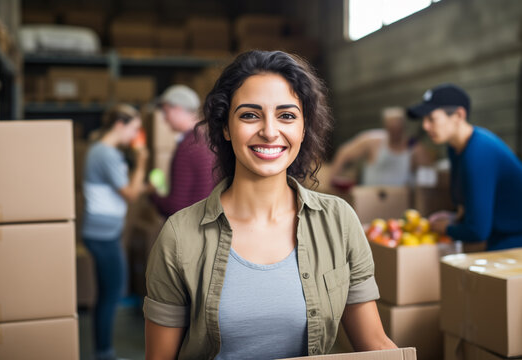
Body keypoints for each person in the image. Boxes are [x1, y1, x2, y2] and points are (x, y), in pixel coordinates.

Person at [144, 50, 396, 360]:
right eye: (250, 115)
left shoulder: (338, 221)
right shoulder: (180, 236)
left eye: (287, 115)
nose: (269, 131)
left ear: (303, 128)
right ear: (225, 127)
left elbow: (376, 344)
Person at [407, 83, 522, 250]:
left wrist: (443, 227)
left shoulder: (478, 152)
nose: (425, 126)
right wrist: (454, 218)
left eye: (431, 118)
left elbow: (477, 231)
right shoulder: (455, 148)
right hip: (499, 234)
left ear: (459, 115)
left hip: (514, 240)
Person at [82, 104, 149, 360]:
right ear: (119, 125)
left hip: (103, 233)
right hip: (102, 236)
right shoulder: (106, 154)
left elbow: (122, 189)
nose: (135, 136)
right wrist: (142, 160)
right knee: (112, 293)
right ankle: (105, 354)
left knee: (107, 293)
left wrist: (147, 187)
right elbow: (129, 194)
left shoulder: (102, 151)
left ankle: (103, 352)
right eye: (134, 128)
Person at [149, 84, 216, 217]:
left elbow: (176, 207)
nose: (165, 118)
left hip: (188, 228)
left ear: (177, 109)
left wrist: (152, 195)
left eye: (165, 111)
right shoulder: (206, 140)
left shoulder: (188, 147)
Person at [331, 106, 431, 186]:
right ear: (386, 127)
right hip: (372, 198)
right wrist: (333, 179)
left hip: (401, 199)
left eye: (398, 129)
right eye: (392, 129)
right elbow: (344, 153)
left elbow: (428, 176)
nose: (395, 133)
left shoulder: (414, 147)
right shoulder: (373, 141)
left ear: (404, 127)